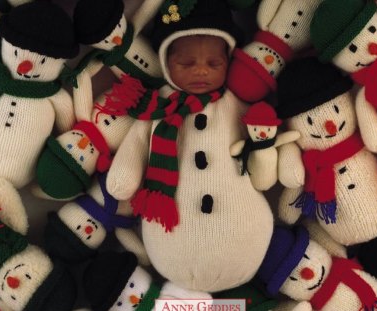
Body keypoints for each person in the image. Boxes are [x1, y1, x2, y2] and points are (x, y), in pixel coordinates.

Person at [106, 0, 273, 294]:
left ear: (228, 61)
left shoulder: (235, 104)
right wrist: (124, 177)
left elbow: (262, 134)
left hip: (243, 235)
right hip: (172, 236)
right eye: (185, 63)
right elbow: (136, 144)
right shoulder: (158, 108)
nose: (200, 72)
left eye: (214, 63)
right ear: (166, 62)